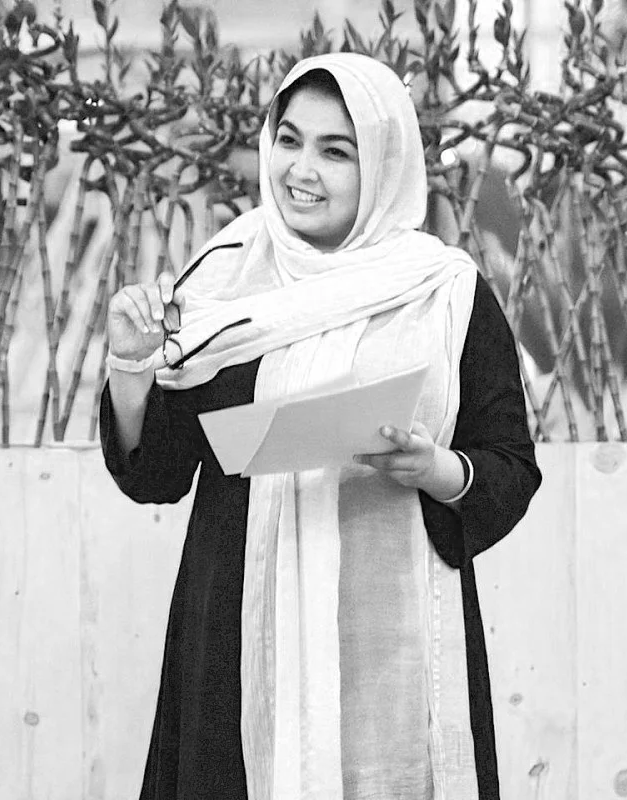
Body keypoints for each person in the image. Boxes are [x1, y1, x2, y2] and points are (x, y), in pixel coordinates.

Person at [100, 53, 541, 800]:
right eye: (289, 139)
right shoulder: (222, 276)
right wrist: (130, 366)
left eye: (336, 151)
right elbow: (158, 472)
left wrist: (434, 468)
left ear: (384, 166)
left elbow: (509, 465)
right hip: (235, 629)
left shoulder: (445, 292)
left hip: (391, 639)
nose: (301, 170)